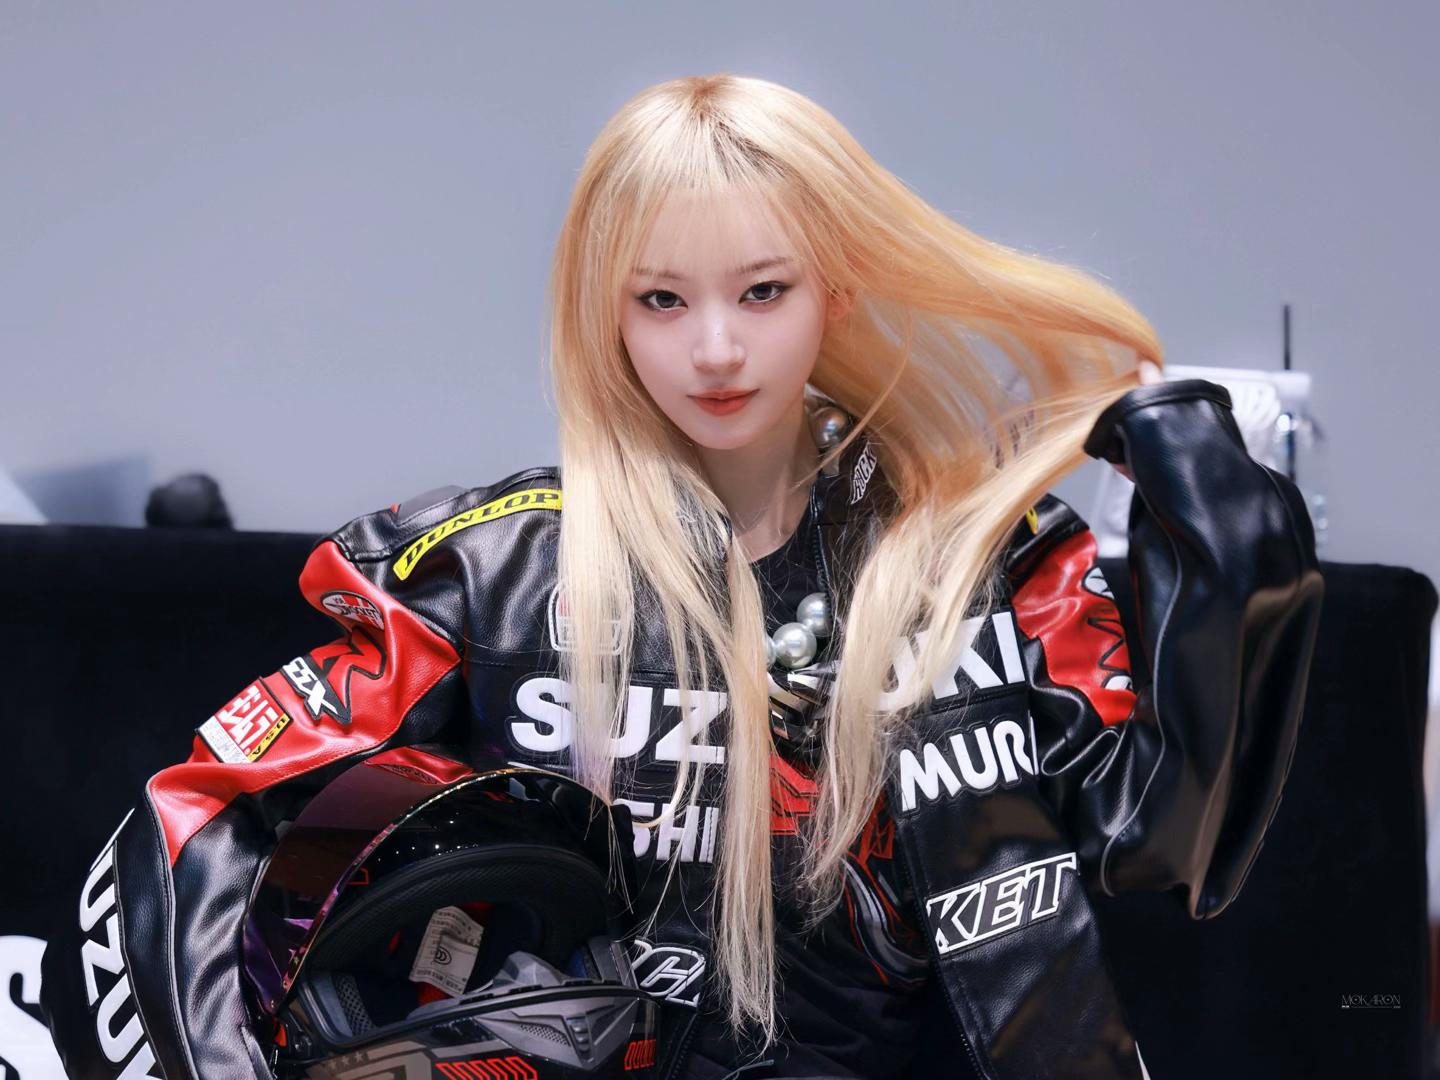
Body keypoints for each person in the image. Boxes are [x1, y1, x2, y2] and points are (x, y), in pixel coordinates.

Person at [40, 74, 1324, 1080]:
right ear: (603, 310)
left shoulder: (974, 568)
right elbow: (203, 818)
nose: (715, 350)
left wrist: (1231, 565)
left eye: (761, 291)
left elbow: (1169, 844)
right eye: (661, 300)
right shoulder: (491, 576)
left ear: (835, 283)